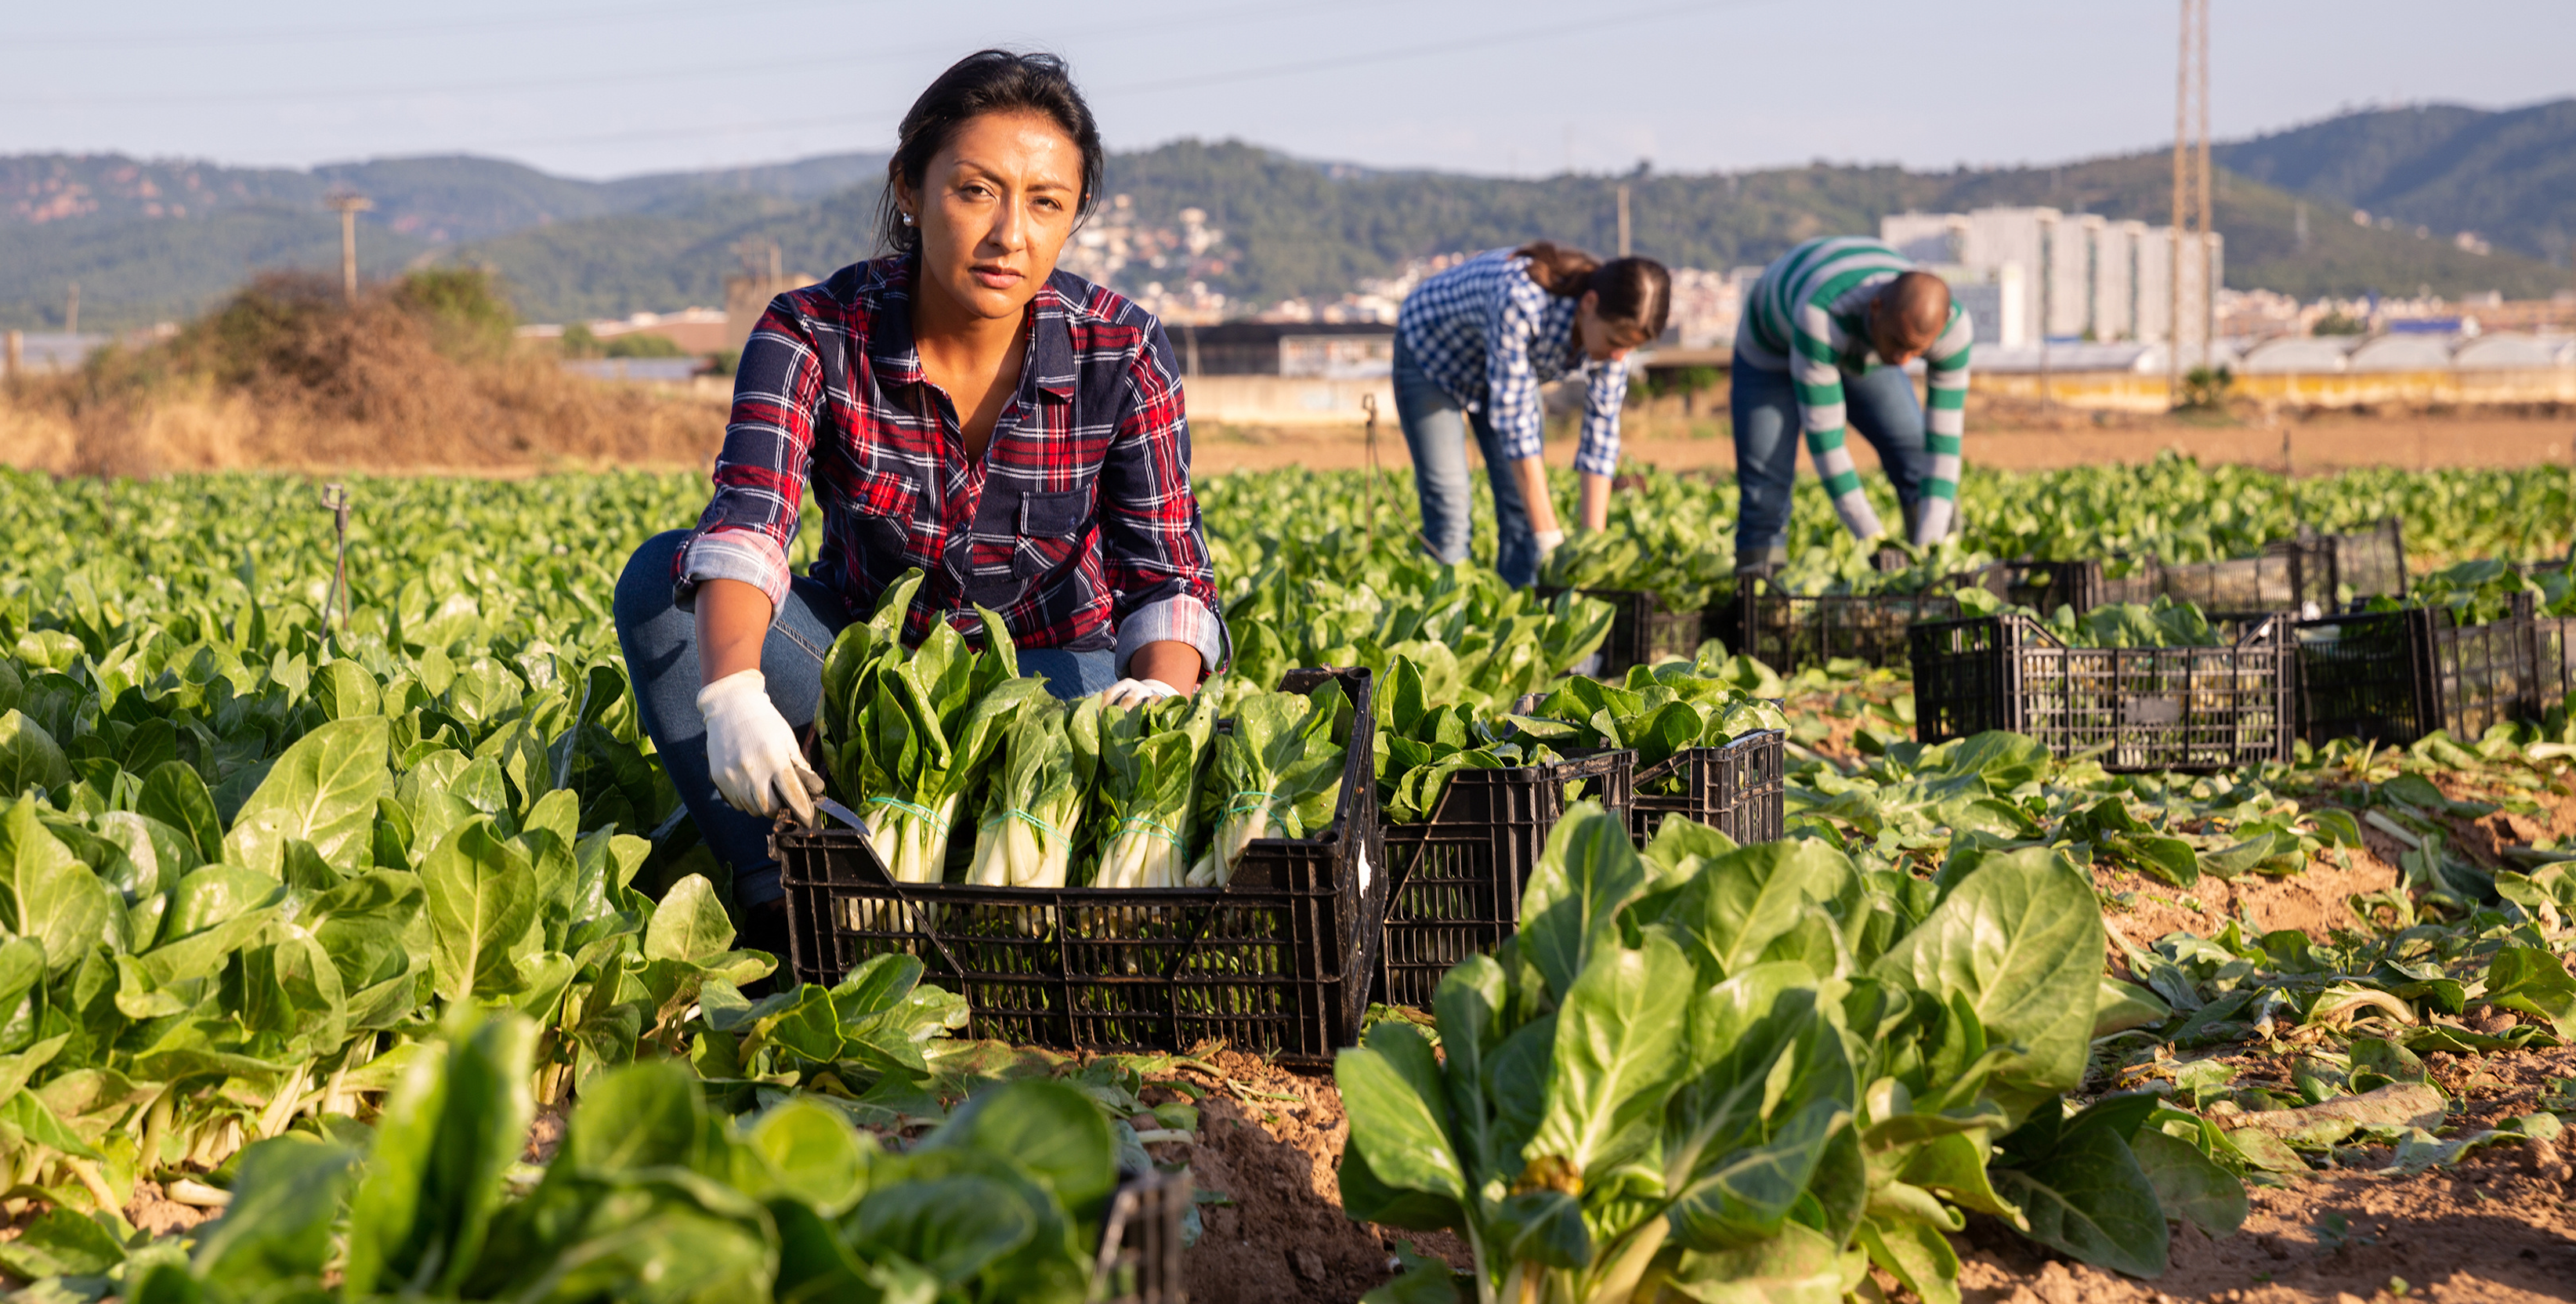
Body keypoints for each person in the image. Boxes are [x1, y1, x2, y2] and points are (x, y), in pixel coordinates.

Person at [613, 49, 1227, 938]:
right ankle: (784, 906)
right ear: (911, 188)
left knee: (1080, 713)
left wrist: (1162, 702)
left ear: (1072, 218)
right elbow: (749, 525)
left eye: (1045, 202)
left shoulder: (1121, 350)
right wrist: (734, 695)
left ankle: (967, 870)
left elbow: (1170, 577)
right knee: (662, 584)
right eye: (976, 190)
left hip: (1051, 686)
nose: (1009, 233)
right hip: (865, 670)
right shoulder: (812, 332)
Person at [1392, 243, 1670, 587]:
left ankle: (1515, 617)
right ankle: (1446, 621)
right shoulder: (1522, 299)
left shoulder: (1615, 344)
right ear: (1590, 304)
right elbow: (1516, 423)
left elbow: (1601, 437)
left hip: (1497, 372)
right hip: (1431, 355)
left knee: (1522, 512)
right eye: (1615, 342)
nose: (1619, 356)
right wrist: (1551, 541)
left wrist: (1589, 549)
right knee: (1450, 511)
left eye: (1629, 348)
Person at [1729, 235, 1973, 568]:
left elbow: (1943, 447)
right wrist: (1873, 540)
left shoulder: (1952, 332)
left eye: (1916, 351)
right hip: (1770, 352)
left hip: (1862, 347)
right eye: (1898, 343)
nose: (1904, 361)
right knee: (1765, 494)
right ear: (1876, 308)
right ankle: (1759, 597)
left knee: (1914, 454)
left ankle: (1942, 582)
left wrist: (1930, 552)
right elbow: (1827, 441)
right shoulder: (1824, 314)